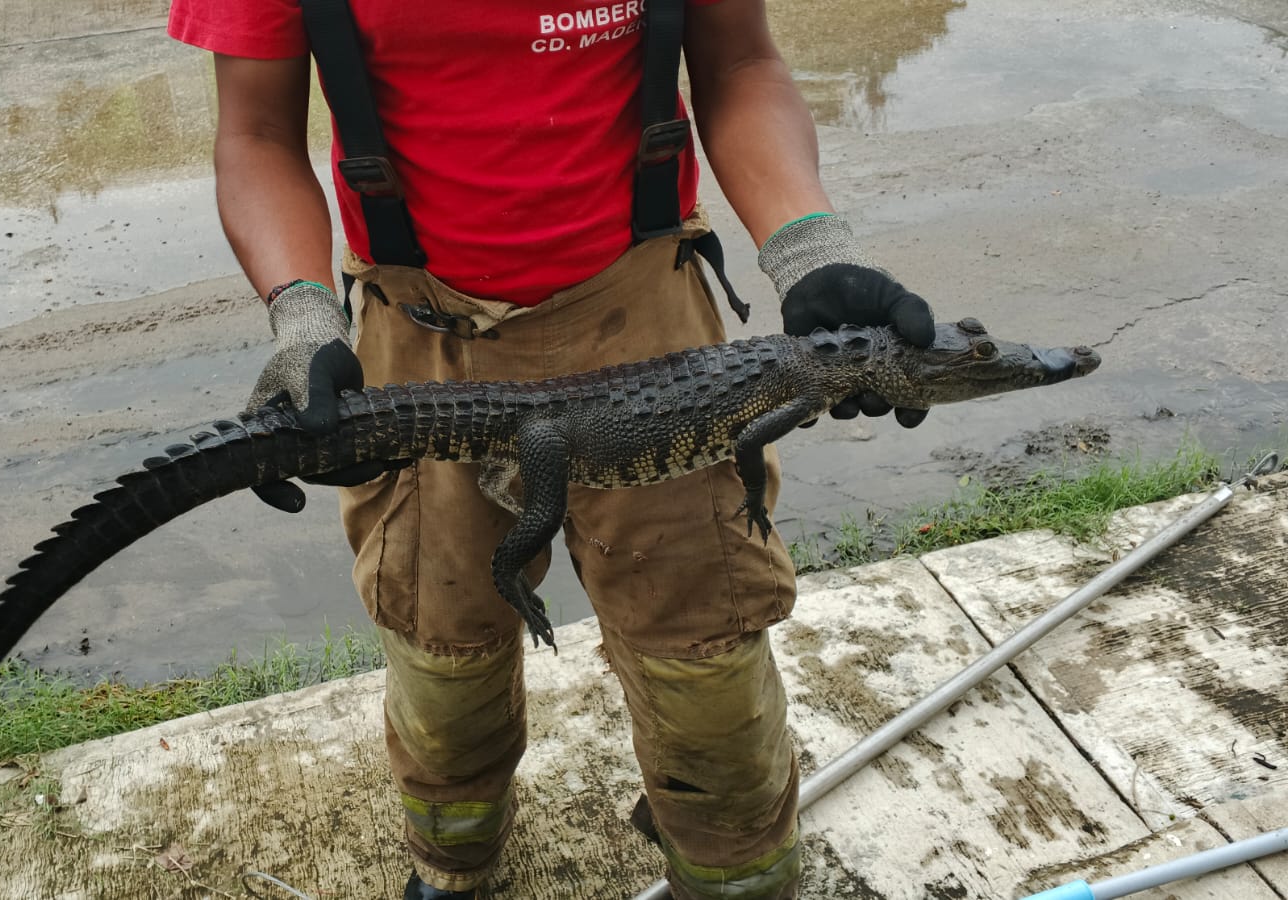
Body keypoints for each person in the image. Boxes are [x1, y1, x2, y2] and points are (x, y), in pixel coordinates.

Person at [168, 1, 935, 897]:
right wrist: (303, 317)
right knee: (443, 659)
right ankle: (453, 866)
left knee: (708, 664)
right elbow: (257, 134)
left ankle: (736, 877)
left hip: (650, 321)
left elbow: (737, 65)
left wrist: (809, 247)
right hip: (425, 334)